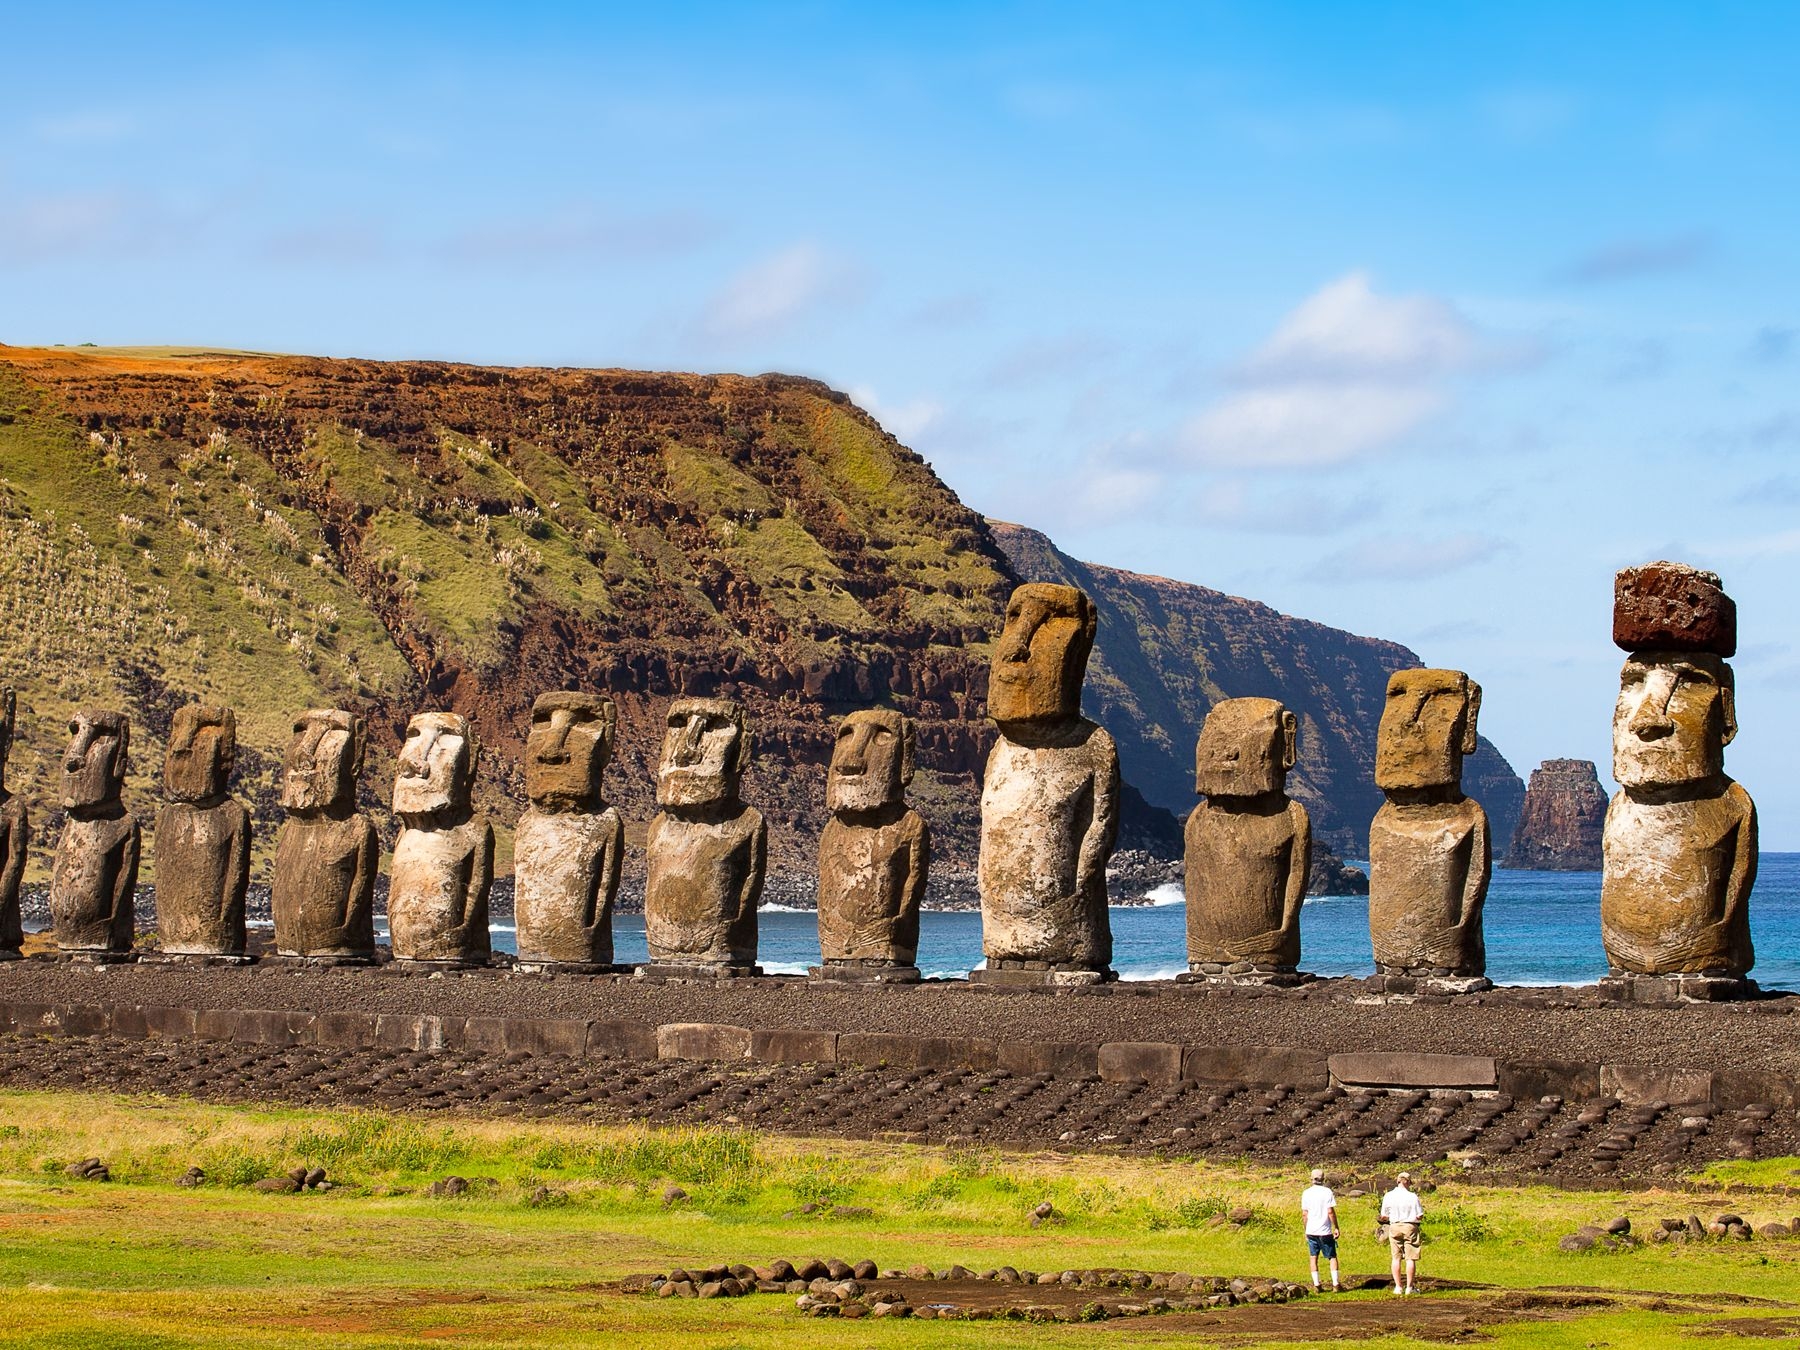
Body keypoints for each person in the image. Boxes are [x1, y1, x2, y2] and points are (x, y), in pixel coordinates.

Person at [1379, 1170, 1425, 1295]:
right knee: (1410, 1258)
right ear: (1408, 1182)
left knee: (1396, 1258)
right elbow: (1420, 1215)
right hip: (1410, 1226)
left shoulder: (1389, 1195)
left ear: (1398, 1181)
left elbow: (1384, 1215)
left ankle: (1398, 1287)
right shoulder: (1412, 1196)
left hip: (1394, 1226)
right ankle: (1409, 1288)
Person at [1299, 1167, 1340, 1291]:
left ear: (1311, 1179)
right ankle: (1335, 1284)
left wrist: (1306, 1230)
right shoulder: (1327, 1192)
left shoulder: (1306, 1193)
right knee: (1332, 1257)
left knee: (1313, 1257)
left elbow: (1304, 1214)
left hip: (1311, 1230)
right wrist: (1336, 1227)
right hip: (1325, 1231)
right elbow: (1330, 1211)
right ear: (1323, 1179)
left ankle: (1317, 1284)